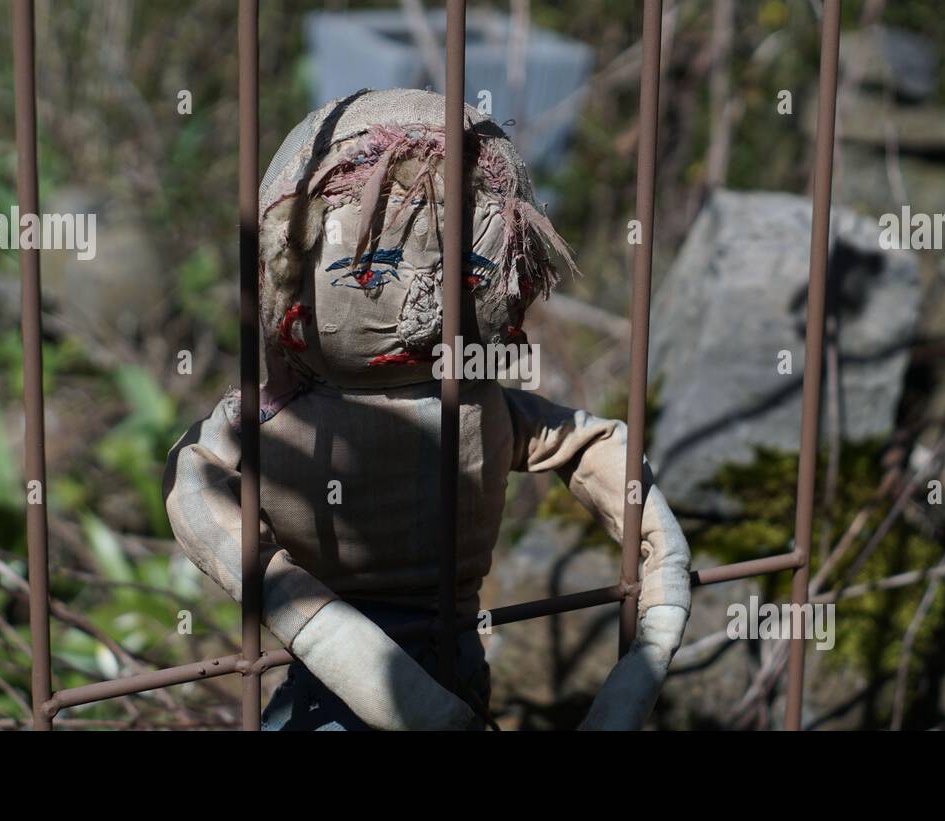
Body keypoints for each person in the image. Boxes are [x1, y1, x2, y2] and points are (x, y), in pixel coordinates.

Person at [164, 89, 691, 730]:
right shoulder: (275, 417)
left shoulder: (482, 399)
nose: (427, 307)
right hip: (332, 679)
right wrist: (323, 632)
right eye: (370, 272)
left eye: (470, 273)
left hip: (458, 651)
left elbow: (590, 445)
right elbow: (196, 485)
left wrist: (663, 583)